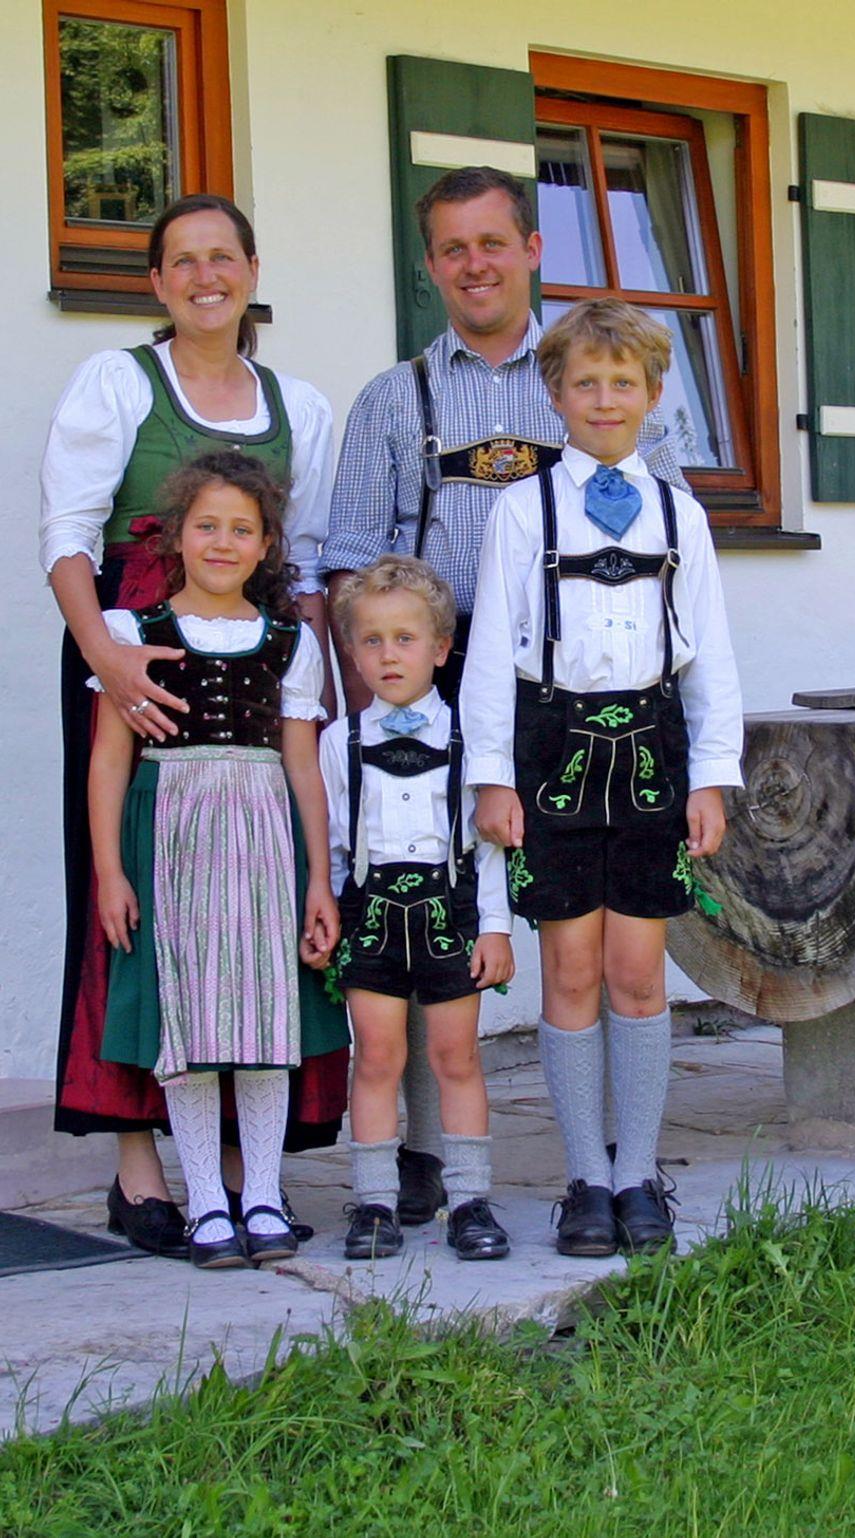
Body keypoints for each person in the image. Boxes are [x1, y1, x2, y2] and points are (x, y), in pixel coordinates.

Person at [319, 166, 695, 1226]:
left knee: (599, 937)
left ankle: (620, 1156)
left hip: (576, 682)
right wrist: (382, 708)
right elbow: (351, 565)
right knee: (427, 900)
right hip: (442, 682)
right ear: (431, 265)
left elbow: (669, 530)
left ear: (532, 249)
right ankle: (428, 1150)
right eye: (453, 248)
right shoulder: (395, 398)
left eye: (492, 242)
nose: (473, 263)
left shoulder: (586, 369)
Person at [42, 193, 346, 1255]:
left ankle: (240, 1170)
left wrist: (314, 683)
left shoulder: (297, 404)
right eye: (183, 260)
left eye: (223, 257)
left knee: (252, 911)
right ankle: (137, 1164)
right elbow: (69, 534)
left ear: (252, 271)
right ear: (157, 281)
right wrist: (106, 654)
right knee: (129, 904)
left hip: (254, 673)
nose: (206, 276)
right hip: (130, 652)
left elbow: (304, 565)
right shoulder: (117, 381)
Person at [464, 300, 742, 1257]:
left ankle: (639, 1176)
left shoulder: (680, 514)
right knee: (572, 971)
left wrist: (712, 776)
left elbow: (710, 658)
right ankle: (585, 1176)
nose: (605, 399)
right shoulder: (522, 510)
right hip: (553, 753)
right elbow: (490, 655)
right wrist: (492, 776)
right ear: (555, 394)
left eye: (623, 383)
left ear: (653, 394)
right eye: (585, 382)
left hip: (653, 753)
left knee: (637, 973)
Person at [86, 453, 346, 1269]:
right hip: (170, 833)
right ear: (176, 536)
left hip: (264, 834)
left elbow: (304, 765)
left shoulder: (292, 642)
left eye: (242, 529)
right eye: (207, 526)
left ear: (267, 544)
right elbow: (109, 761)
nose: (223, 542)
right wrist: (110, 872)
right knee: (188, 1017)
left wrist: (319, 878)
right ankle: (205, 1200)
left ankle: (260, 1193)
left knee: (266, 1012)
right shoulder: (133, 636)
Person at [322, 556, 514, 1262]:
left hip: (449, 913)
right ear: (352, 652)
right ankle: (374, 1202)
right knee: (376, 1057)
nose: (389, 655)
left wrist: (495, 928)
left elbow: (488, 849)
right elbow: (336, 844)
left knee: (455, 1057)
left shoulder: (471, 739)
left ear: (440, 648)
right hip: (371, 915)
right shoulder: (339, 742)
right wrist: (329, 916)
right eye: (372, 640)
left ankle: (468, 1199)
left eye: (405, 639)